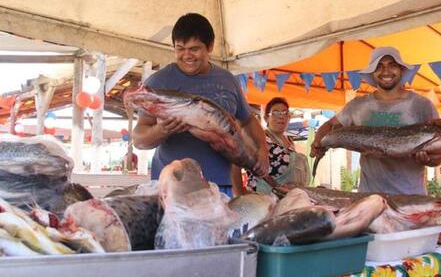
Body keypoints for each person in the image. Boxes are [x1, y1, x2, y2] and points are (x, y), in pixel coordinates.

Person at [132, 13, 269, 197]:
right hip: (173, 187)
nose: (186, 55)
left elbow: (248, 120)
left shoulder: (227, 80)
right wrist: (162, 130)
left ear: (210, 46)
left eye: (194, 49)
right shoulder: (158, 82)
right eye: (180, 49)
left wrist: (262, 151)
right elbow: (139, 140)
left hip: (220, 186)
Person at [311, 47, 441, 195]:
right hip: (369, 199)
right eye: (379, 66)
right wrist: (318, 142)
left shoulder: (422, 105)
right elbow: (330, 125)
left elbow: (439, 155)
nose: (386, 71)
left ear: (401, 70)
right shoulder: (358, 105)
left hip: (410, 199)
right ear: (373, 73)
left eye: (392, 65)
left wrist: (428, 160)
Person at [233, 97, 310, 195]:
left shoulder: (290, 142)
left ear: (289, 117)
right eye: (276, 113)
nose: (281, 117)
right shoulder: (259, 139)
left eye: (284, 113)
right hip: (262, 200)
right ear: (266, 118)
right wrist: (239, 192)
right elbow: (235, 162)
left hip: (288, 200)